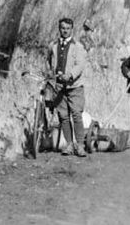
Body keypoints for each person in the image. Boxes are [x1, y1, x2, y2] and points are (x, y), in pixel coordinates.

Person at [47, 18, 89, 157]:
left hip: (74, 86)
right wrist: (51, 73)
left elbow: (80, 65)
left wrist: (70, 75)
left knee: (76, 115)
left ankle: (80, 145)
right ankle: (69, 145)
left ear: (72, 29)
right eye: (62, 28)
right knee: (63, 116)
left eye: (67, 28)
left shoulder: (78, 46)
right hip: (59, 87)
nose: (65, 31)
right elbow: (49, 61)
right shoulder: (53, 46)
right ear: (59, 29)